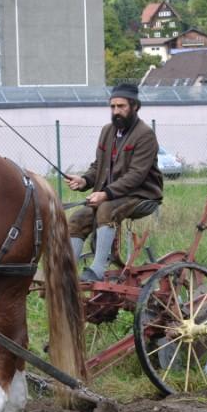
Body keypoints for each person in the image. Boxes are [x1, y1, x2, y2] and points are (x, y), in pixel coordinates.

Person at [65, 83, 163, 282]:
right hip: (112, 195)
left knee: (106, 209)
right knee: (77, 218)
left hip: (141, 195)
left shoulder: (145, 135)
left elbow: (136, 175)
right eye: (113, 107)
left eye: (121, 106)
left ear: (135, 106)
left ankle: (98, 270)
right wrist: (84, 180)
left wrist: (105, 194)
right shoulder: (107, 131)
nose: (116, 111)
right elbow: (98, 166)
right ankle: (67, 273)